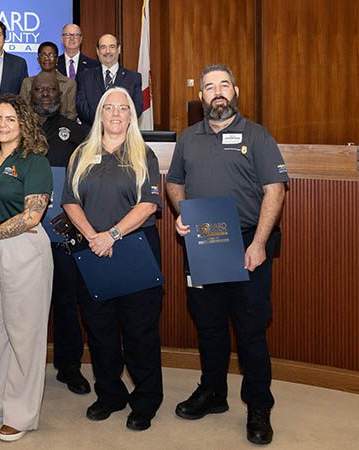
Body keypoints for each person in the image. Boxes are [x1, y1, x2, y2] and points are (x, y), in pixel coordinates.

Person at [166, 64, 288, 445]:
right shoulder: (188, 138)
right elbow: (174, 182)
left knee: (251, 332)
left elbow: (275, 190)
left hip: (247, 246)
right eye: (209, 87)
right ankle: (214, 393)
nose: (216, 92)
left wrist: (258, 244)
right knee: (210, 327)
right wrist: (183, 215)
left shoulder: (258, 135)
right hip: (203, 245)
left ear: (235, 91)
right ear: (201, 96)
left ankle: (258, 406)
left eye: (223, 85)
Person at [62, 87, 163, 431]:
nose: (116, 114)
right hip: (92, 252)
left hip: (134, 250)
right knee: (100, 330)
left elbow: (149, 205)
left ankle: (146, 400)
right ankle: (110, 394)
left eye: (123, 108)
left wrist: (112, 235)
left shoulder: (143, 153)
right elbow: (69, 201)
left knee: (140, 332)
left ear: (131, 116)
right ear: (100, 114)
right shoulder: (81, 153)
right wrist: (93, 236)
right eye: (110, 108)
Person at [0, 93, 53, 442]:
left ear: (24, 125)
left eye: (11, 119)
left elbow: (33, 215)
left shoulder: (35, 161)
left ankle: (20, 412)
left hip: (23, 249)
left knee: (23, 333)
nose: (3, 125)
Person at [30, 72, 92, 395]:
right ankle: (25, 370)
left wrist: (74, 213)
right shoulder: (18, 130)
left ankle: (69, 367)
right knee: (26, 306)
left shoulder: (79, 132)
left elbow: (89, 180)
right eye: (39, 89)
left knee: (67, 304)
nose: (44, 94)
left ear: (60, 92)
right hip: (25, 238)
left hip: (64, 238)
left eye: (50, 89)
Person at [76, 34, 142, 126]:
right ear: (98, 51)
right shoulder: (85, 77)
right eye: (103, 47)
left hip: (122, 133)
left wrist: (116, 123)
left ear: (119, 49)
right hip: (92, 133)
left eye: (112, 47)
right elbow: (81, 106)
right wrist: (101, 122)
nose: (107, 51)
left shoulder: (133, 78)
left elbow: (137, 108)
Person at [20, 41, 78, 120]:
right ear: (38, 59)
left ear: (57, 59)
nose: (47, 59)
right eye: (43, 55)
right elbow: (23, 111)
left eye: (51, 55)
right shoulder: (28, 82)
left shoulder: (69, 84)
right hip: (34, 128)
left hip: (60, 128)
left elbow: (71, 113)